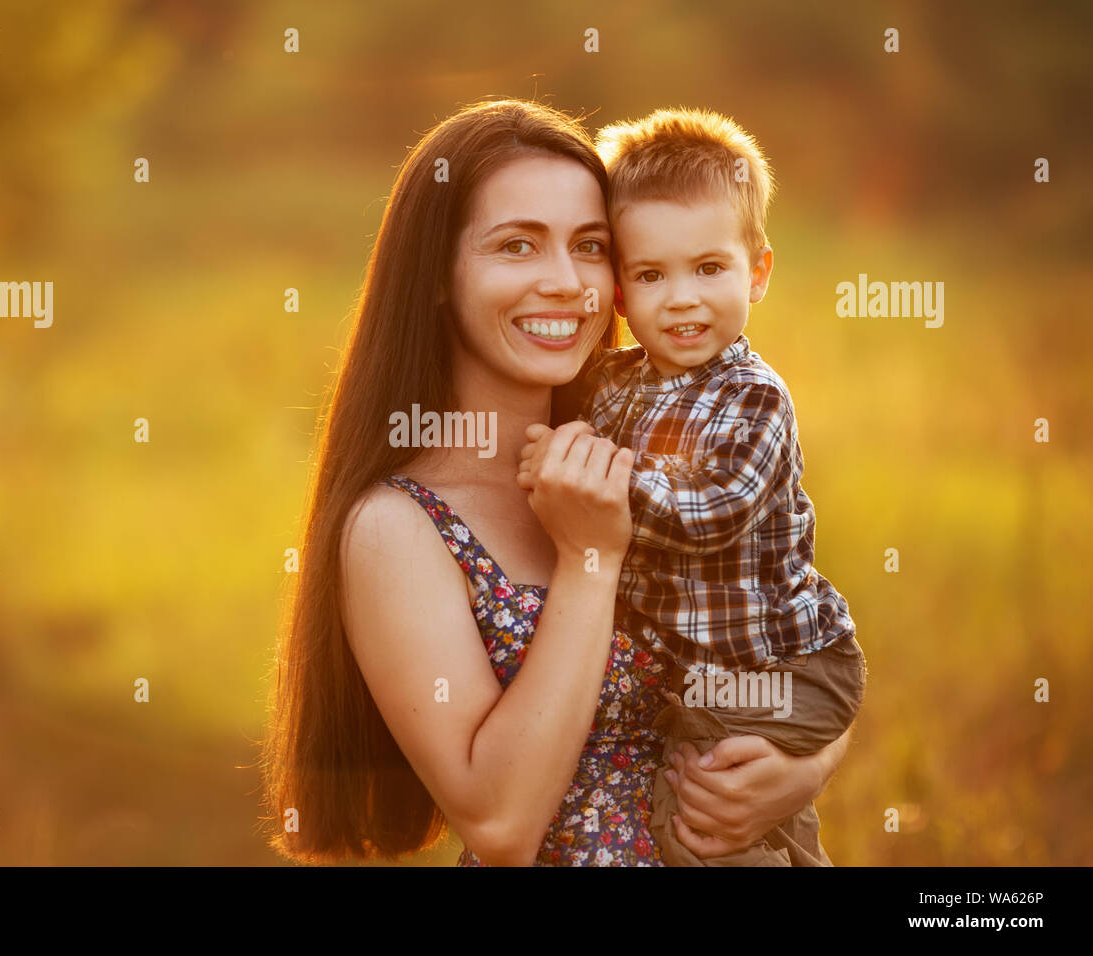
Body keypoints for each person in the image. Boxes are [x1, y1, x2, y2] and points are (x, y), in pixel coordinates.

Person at [260, 98, 853, 866]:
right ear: (436, 276)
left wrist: (805, 765)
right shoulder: (397, 528)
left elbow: (791, 633)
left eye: (590, 246)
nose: (566, 282)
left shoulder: (648, 447)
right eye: (517, 247)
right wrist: (590, 559)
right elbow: (502, 825)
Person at [520, 106, 866, 865]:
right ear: (619, 293)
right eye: (651, 275)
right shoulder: (613, 385)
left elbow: (710, 514)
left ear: (759, 272)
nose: (681, 299)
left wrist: (591, 470)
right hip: (710, 682)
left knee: (697, 820)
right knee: (749, 813)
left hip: (789, 669)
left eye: (709, 269)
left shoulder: (754, 397)